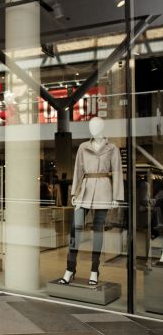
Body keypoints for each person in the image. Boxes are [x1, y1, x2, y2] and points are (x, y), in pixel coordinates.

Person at [58, 117, 123, 286]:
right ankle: (70, 269)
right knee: (75, 229)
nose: (93, 128)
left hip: (103, 190)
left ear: (102, 127)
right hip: (84, 191)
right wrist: (74, 192)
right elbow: (78, 169)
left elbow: (116, 171)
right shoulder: (83, 147)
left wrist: (116, 196)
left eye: (97, 125)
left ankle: (94, 270)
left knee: (98, 231)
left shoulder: (112, 148)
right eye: (91, 126)